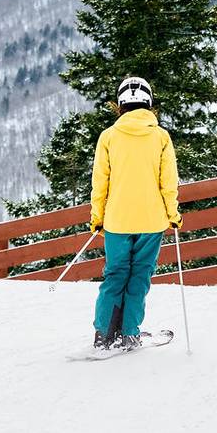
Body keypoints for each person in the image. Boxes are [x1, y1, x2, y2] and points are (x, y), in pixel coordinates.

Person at [89, 76, 181, 353]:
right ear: (149, 102)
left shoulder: (108, 137)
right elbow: (169, 182)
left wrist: (97, 217)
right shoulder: (161, 137)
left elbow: (100, 182)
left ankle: (104, 334)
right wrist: (173, 214)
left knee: (115, 274)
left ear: (120, 104)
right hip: (151, 221)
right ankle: (129, 333)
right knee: (139, 275)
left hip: (117, 221)